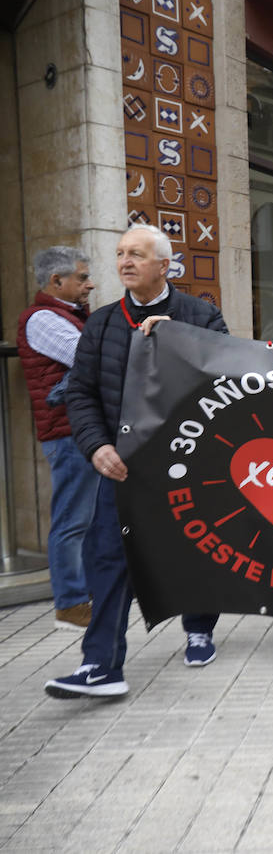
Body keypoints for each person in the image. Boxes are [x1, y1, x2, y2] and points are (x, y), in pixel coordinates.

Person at [43, 225, 227, 698]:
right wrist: (95, 445)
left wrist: (183, 342)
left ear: (164, 266)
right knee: (106, 557)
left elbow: (231, 375)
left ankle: (200, 627)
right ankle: (101, 665)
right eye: (120, 254)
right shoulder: (101, 323)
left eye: (137, 255)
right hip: (122, 466)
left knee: (195, 548)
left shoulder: (200, 316)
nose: (125, 262)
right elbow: (80, 392)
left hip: (188, 463)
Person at [17, 247, 97, 631]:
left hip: (78, 431)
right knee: (72, 520)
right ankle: (69, 603)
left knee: (88, 518)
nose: (89, 283)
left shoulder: (71, 316)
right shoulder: (43, 319)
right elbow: (88, 357)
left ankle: (87, 593)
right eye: (82, 277)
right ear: (57, 281)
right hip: (67, 434)